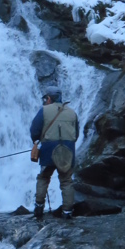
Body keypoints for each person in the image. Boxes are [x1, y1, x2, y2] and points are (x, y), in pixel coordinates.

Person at [30, 88, 79, 219]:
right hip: (67, 150)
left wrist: (37, 140)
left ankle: (39, 208)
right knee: (67, 181)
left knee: (44, 178)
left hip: (48, 150)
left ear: (49, 98)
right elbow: (76, 134)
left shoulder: (44, 110)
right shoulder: (72, 113)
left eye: (46, 98)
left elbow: (35, 129)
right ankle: (68, 212)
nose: (45, 101)